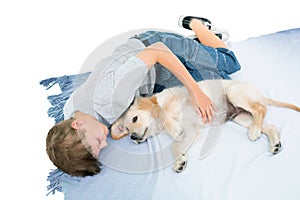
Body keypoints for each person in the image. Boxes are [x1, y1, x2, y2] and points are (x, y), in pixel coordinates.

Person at [46, 15, 241, 177]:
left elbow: (158, 50)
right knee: (219, 84)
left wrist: (195, 92)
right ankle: (196, 48)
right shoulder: (70, 112)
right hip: (148, 80)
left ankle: (195, 24)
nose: (105, 143)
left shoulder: (112, 97)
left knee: (229, 65)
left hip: (158, 47)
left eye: (97, 142)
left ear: (77, 125)